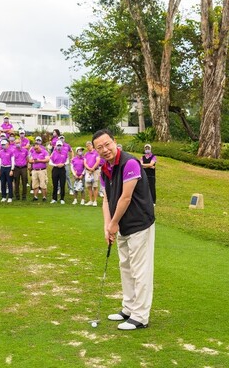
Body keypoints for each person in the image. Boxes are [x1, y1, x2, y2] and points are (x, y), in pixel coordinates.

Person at [92, 129, 155, 330]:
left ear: (115, 142)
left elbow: (125, 198)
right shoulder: (104, 169)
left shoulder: (129, 163)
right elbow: (107, 199)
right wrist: (107, 225)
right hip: (121, 226)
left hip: (139, 223)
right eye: (99, 147)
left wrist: (113, 223)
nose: (105, 149)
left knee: (140, 270)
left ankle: (140, 316)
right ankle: (128, 308)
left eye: (107, 144)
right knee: (125, 267)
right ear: (95, 150)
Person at [49, 140, 69, 204]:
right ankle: (54, 198)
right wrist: (56, 165)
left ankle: (62, 199)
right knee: (55, 185)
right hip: (55, 169)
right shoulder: (53, 153)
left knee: (62, 184)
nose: (59, 147)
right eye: (58, 145)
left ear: (62, 146)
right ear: (56, 146)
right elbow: (50, 162)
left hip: (62, 169)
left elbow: (68, 161)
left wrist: (63, 164)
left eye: (60, 145)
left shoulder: (65, 152)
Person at [84, 141, 101, 206]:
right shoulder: (86, 154)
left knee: (95, 186)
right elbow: (85, 162)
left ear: (92, 145)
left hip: (95, 171)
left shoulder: (96, 152)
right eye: (87, 146)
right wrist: (89, 168)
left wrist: (93, 168)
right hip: (88, 171)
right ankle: (91, 200)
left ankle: (95, 201)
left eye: (89, 145)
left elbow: (98, 161)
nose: (88, 147)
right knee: (89, 186)